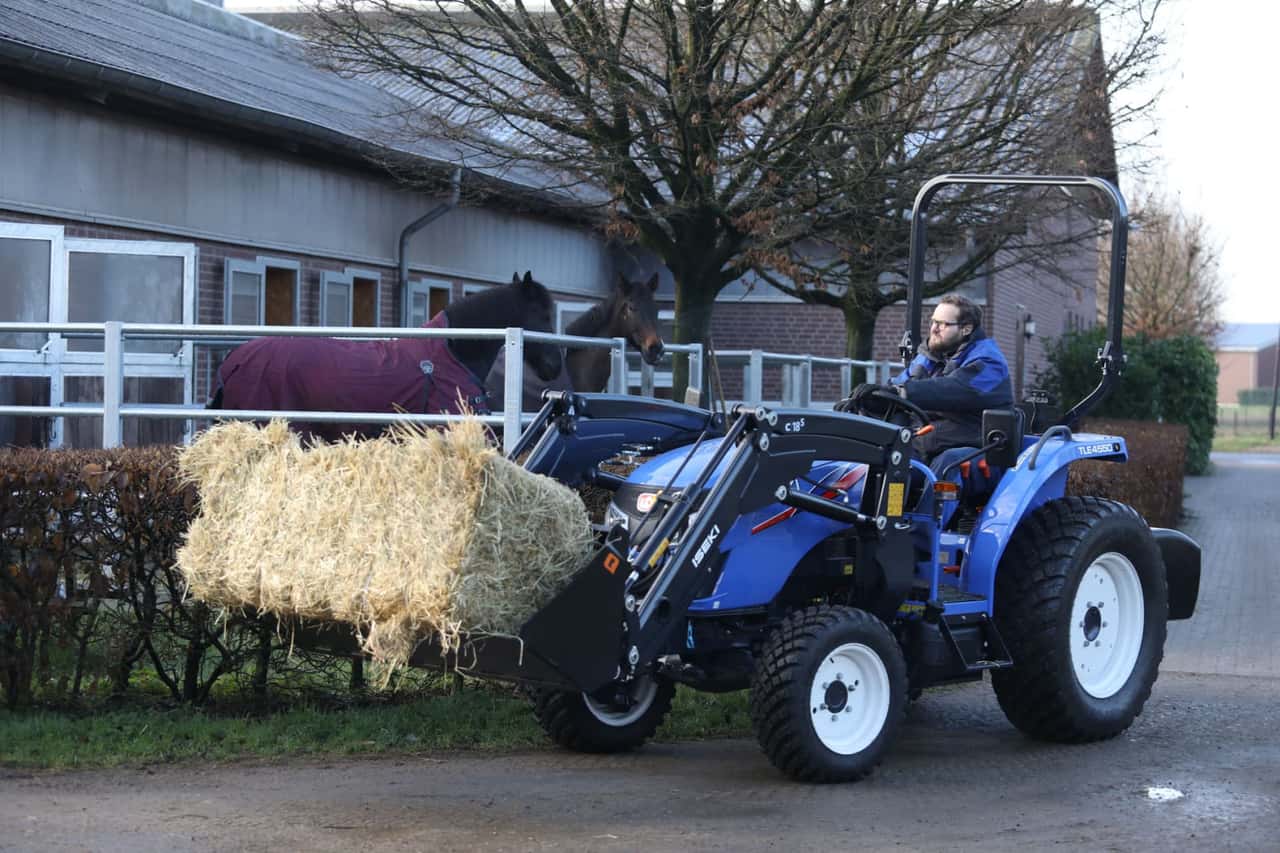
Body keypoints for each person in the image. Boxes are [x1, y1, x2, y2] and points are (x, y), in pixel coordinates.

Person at [839, 293, 1013, 466]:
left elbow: (951, 390)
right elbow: (900, 385)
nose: (934, 329)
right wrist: (871, 398)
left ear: (966, 329)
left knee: (948, 462)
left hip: (970, 443)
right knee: (874, 455)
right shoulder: (929, 356)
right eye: (933, 321)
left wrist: (901, 392)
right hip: (925, 441)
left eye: (942, 324)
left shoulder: (989, 362)